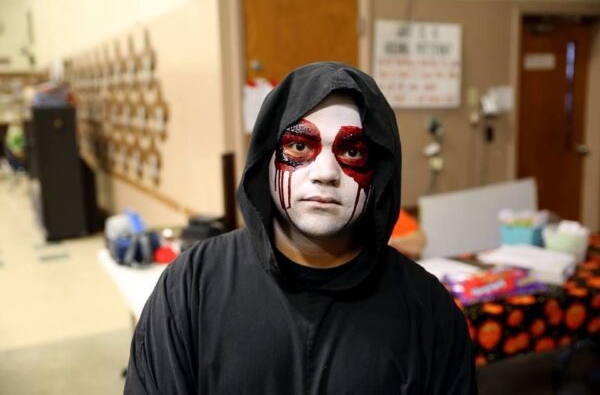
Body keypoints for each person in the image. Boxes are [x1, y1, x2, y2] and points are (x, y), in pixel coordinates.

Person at [124, 62, 476, 394]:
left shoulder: (428, 311)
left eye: (352, 152)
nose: (325, 173)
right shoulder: (191, 286)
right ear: (267, 157)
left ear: (380, 171)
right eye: (298, 146)